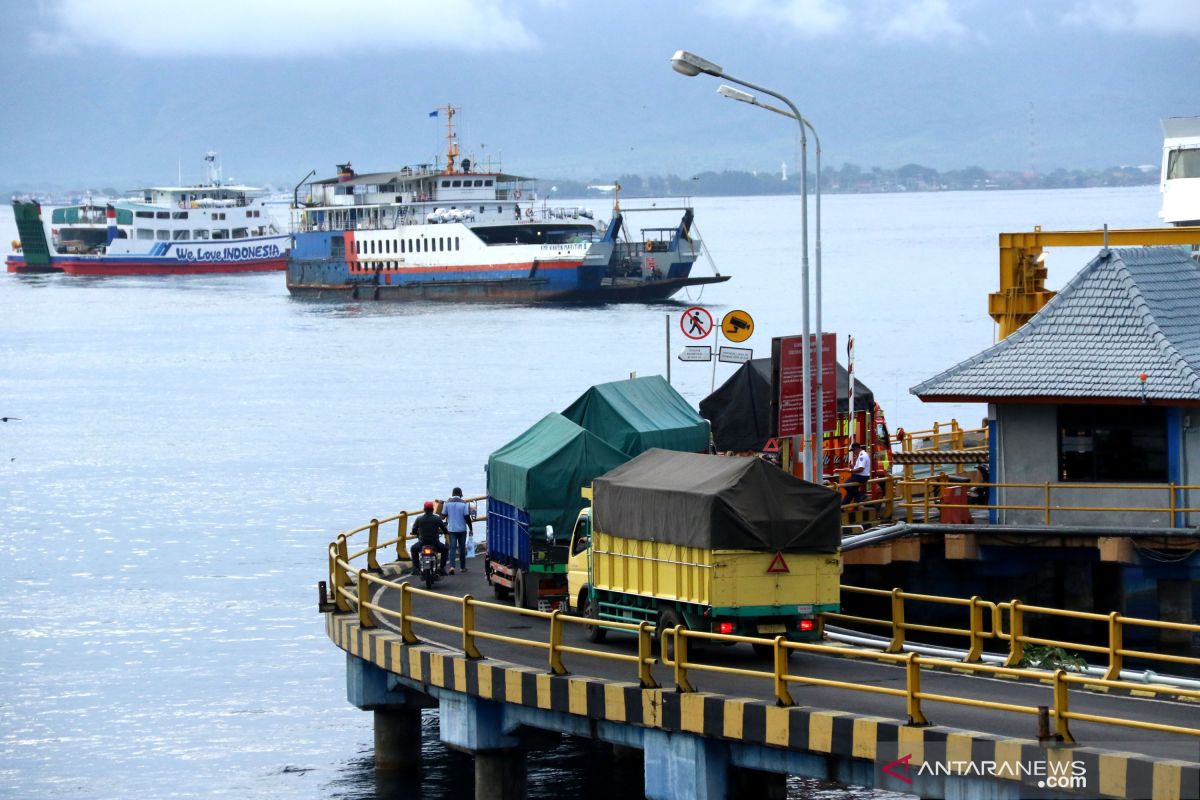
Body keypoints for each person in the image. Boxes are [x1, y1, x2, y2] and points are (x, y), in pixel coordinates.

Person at [409, 500, 449, 575]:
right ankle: (442, 568)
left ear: (424, 509)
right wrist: (445, 532)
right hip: (435, 544)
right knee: (445, 550)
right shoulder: (437, 518)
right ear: (433, 509)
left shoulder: (419, 519)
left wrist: (414, 532)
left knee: (413, 549)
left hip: (422, 543)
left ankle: (416, 569)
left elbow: (414, 530)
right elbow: (444, 529)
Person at [441, 488, 474, 573]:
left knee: (452, 548)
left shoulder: (447, 503)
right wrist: (470, 528)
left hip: (451, 529)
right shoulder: (464, 504)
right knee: (462, 548)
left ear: (452, 494)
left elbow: (443, 516)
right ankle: (462, 568)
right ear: (460, 494)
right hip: (462, 530)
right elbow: (467, 517)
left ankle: (452, 567)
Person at [843, 442, 871, 507]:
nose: (853, 452)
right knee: (850, 492)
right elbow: (859, 467)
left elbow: (861, 469)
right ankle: (842, 507)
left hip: (861, 476)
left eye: (853, 450)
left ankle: (861, 497)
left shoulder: (862, 455)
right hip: (861, 475)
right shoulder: (862, 455)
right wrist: (853, 467)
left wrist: (850, 470)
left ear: (857, 449)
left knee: (846, 485)